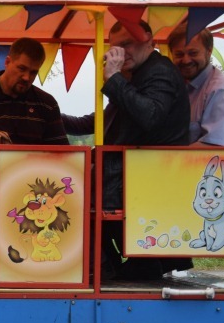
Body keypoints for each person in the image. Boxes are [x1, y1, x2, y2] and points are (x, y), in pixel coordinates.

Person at [63, 20, 191, 280]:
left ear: (149, 41)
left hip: (148, 176)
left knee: (83, 206)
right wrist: (51, 114)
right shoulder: (138, 76)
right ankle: (120, 271)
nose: (120, 54)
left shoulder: (159, 72)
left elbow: (150, 115)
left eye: (127, 45)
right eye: (115, 48)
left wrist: (114, 78)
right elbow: (100, 121)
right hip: (131, 174)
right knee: (80, 200)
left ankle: (125, 271)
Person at [0, 37, 68, 147]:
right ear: (7, 62)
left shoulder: (47, 104)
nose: (26, 77)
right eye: (22, 68)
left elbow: (62, 153)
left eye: (33, 72)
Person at [166, 23, 224, 147]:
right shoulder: (176, 86)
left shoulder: (222, 90)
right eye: (179, 55)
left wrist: (162, 158)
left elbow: (212, 147)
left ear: (209, 51)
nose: (186, 60)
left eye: (193, 53)